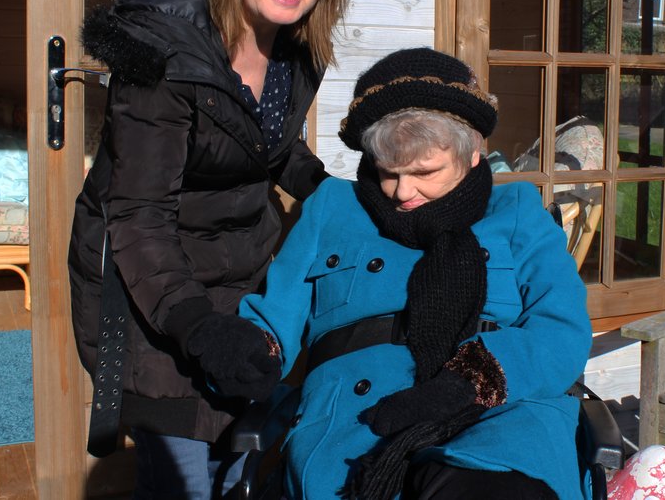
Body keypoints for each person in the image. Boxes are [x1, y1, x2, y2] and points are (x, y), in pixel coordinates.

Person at [67, 0, 355, 500]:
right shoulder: (161, 56)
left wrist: (340, 196)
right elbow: (138, 215)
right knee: (183, 475)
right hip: (154, 288)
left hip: (241, 271)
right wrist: (197, 324)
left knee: (239, 455)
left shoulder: (293, 46)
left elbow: (264, 145)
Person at [187, 48, 595, 500]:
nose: (403, 192)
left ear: (474, 154)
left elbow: (561, 330)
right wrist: (246, 351)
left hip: (499, 415)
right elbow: (275, 316)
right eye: (386, 172)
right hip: (356, 422)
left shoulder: (517, 213)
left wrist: (469, 382)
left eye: (425, 172)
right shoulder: (332, 208)